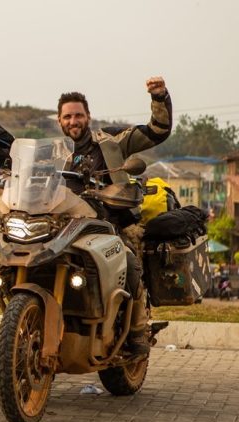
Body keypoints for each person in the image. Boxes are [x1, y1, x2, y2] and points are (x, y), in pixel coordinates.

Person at [57, 77, 172, 356]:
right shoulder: (57, 155)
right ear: (59, 121)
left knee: (128, 262)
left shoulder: (110, 142)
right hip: (67, 228)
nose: (73, 121)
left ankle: (137, 331)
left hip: (113, 225)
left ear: (88, 116)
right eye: (67, 116)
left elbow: (157, 131)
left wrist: (159, 97)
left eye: (78, 115)